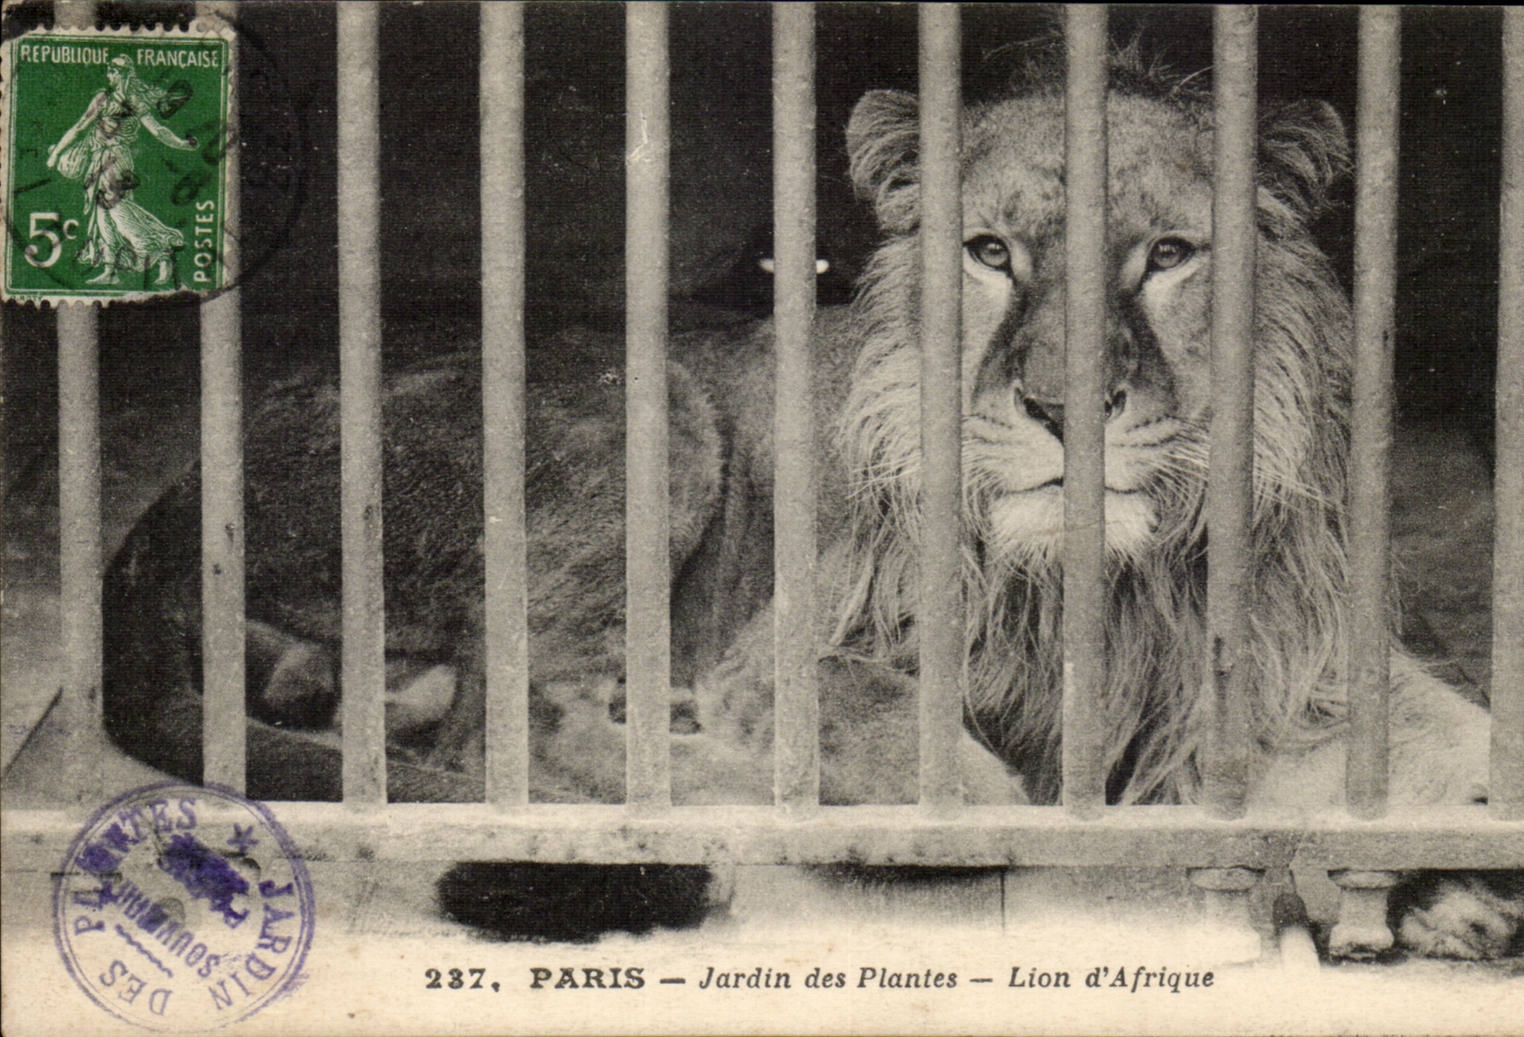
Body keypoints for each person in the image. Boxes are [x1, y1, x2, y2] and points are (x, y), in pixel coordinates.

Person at [46, 56, 199, 287]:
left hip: (117, 161)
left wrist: (182, 144)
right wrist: (56, 152)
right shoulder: (102, 98)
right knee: (102, 217)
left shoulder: (135, 101)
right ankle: (111, 270)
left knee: (118, 212)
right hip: (98, 161)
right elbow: (79, 127)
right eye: (109, 70)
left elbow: (158, 130)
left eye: (114, 70)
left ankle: (162, 246)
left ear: (126, 73)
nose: (110, 74)